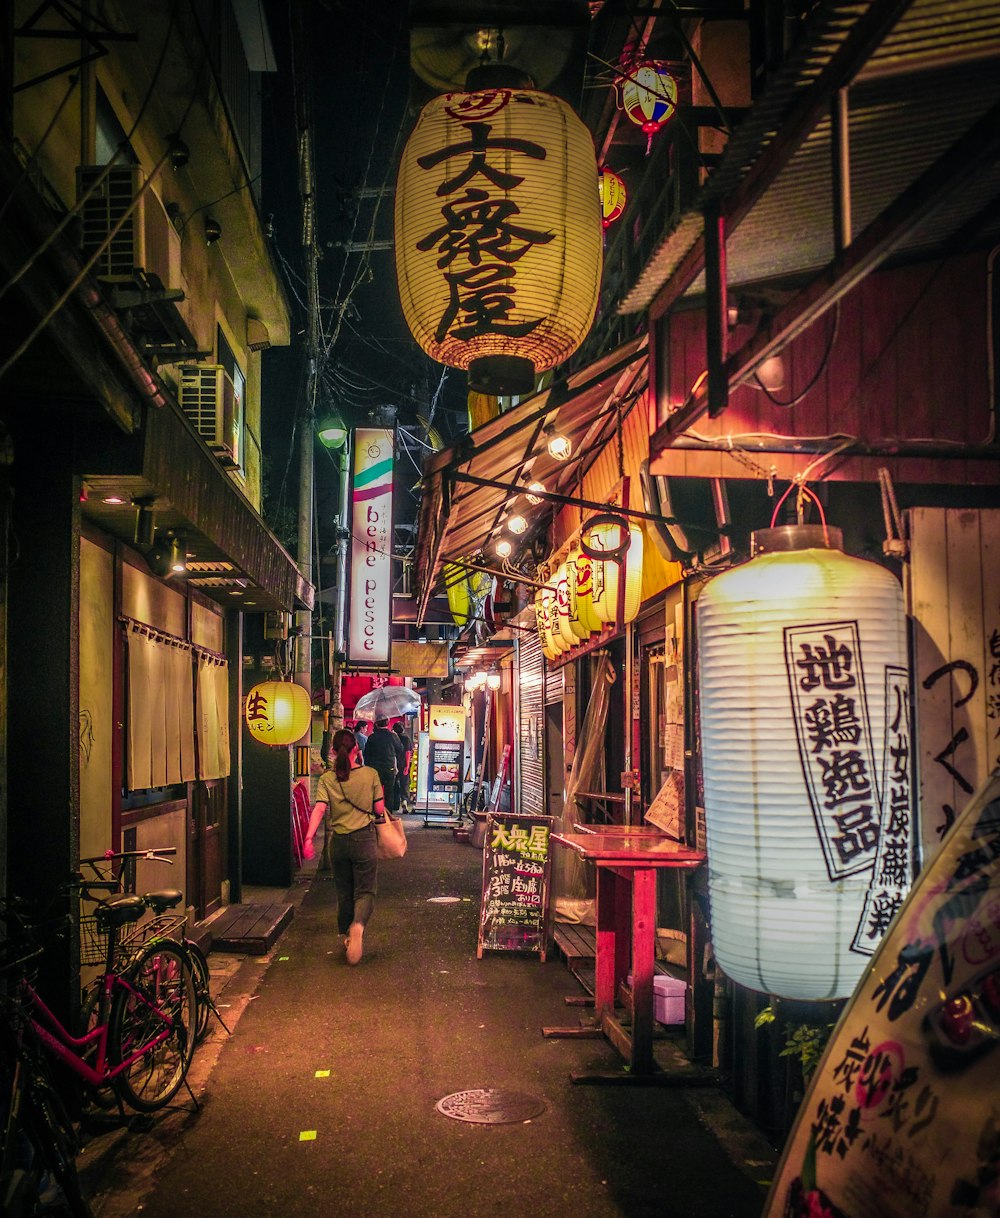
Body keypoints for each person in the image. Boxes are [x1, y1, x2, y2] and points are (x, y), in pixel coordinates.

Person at [302, 728, 384, 965]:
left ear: (333, 752)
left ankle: (348, 934)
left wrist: (308, 838)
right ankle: (358, 925)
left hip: (338, 843)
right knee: (365, 891)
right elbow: (379, 810)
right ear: (356, 750)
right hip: (364, 839)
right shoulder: (370, 775)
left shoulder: (328, 779)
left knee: (344, 892)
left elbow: (319, 809)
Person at [363, 717, 400, 812]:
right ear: (387, 723)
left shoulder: (372, 737)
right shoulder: (392, 736)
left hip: (375, 768)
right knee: (389, 793)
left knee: (375, 792)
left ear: (376, 724)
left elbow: (366, 754)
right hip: (389, 767)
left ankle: (375, 813)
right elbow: (400, 749)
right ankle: (388, 814)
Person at [392, 721, 412, 812]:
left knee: (395, 783)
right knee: (405, 783)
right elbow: (408, 752)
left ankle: (395, 804)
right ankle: (404, 800)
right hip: (403, 763)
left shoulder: (393, 738)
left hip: (393, 763)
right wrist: (407, 765)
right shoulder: (406, 738)